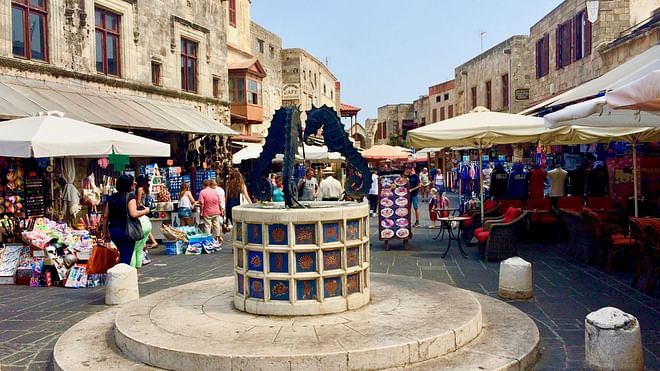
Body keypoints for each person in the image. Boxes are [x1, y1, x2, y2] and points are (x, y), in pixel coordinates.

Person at [102, 174, 150, 267]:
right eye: (132, 183)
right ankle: (124, 277)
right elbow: (133, 213)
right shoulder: (130, 196)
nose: (134, 185)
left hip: (114, 230)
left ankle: (122, 274)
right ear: (129, 185)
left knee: (122, 253)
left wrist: (104, 231)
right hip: (126, 230)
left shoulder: (111, 197)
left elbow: (105, 215)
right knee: (126, 257)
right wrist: (146, 211)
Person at [198, 179, 222, 248]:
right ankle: (216, 239)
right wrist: (221, 210)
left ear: (203, 185)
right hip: (216, 211)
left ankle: (208, 240)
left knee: (207, 226)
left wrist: (201, 211)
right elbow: (219, 201)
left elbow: (201, 203)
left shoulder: (202, 192)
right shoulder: (215, 191)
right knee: (216, 225)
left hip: (207, 212)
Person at [211, 179, 226, 245]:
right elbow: (223, 198)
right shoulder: (221, 189)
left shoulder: (214, 191)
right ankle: (219, 236)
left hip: (217, 207)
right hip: (222, 206)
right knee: (219, 222)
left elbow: (217, 200)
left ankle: (217, 236)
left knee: (216, 223)